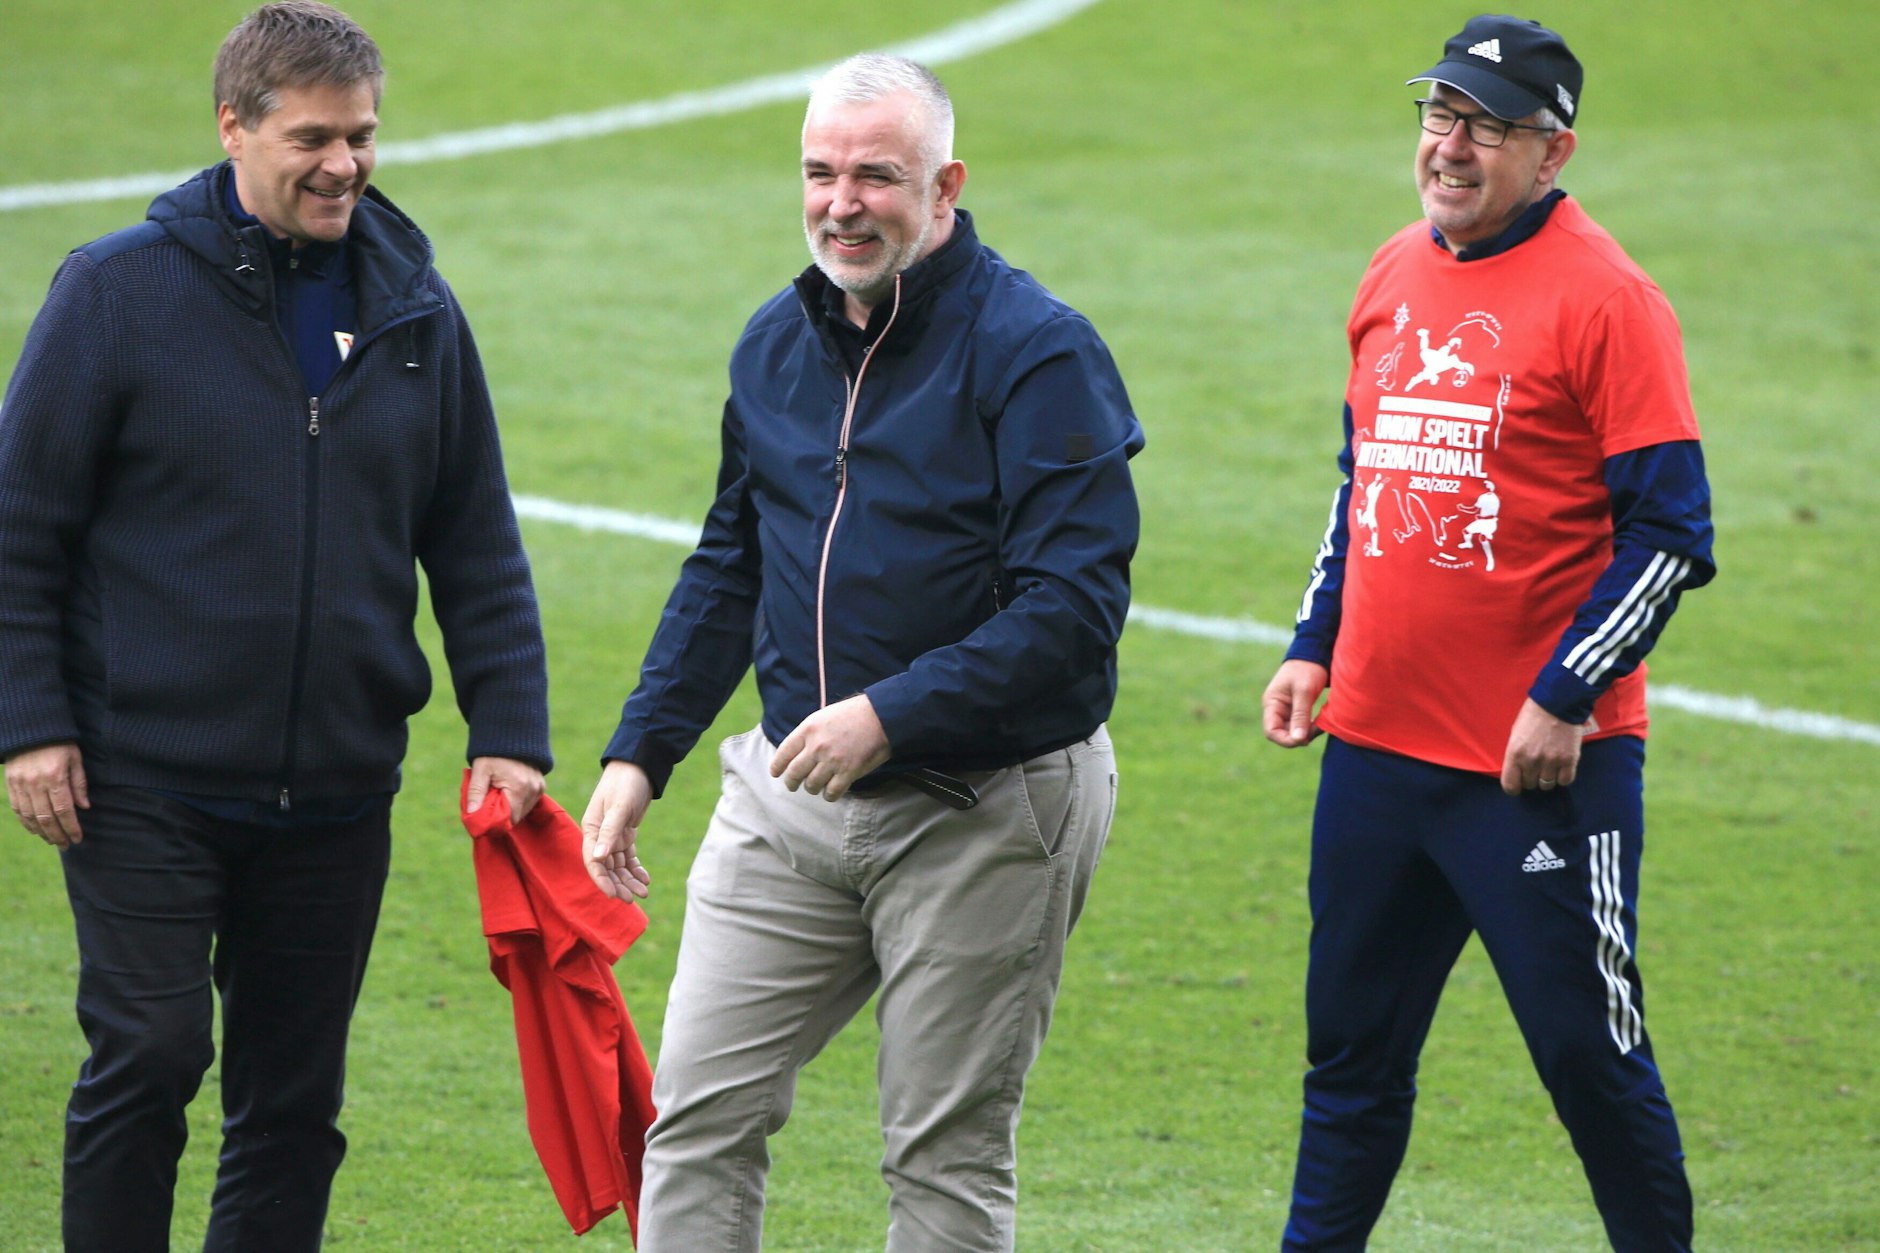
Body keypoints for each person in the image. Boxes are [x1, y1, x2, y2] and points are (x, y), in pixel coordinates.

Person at [0, 5, 550, 1249]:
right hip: (142, 775)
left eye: (361, 137)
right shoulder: (114, 293)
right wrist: (29, 721)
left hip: (339, 787)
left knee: (293, 1103)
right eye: (313, 138)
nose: (344, 166)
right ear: (232, 127)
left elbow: (471, 536)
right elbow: (20, 522)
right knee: (148, 1053)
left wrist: (508, 727)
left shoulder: (415, 310)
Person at [581, 53, 1142, 1253]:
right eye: (821, 172)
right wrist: (642, 750)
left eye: (876, 177)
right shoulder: (771, 346)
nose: (843, 202)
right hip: (790, 797)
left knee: (938, 1159)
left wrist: (887, 712)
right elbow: (730, 562)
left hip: (987, 810)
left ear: (943, 187)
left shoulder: (1039, 353)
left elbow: (1072, 610)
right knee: (691, 1117)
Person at [1260, 15, 1714, 1251]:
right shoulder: (1391, 269)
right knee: (1347, 1058)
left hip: (1535, 774)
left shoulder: (1610, 301)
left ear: (1550, 151)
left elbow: (1669, 532)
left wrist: (1566, 690)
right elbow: (1366, 478)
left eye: (1487, 127)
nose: (1449, 147)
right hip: (1374, 751)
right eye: (1438, 116)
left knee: (1588, 1062)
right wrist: (1313, 638)